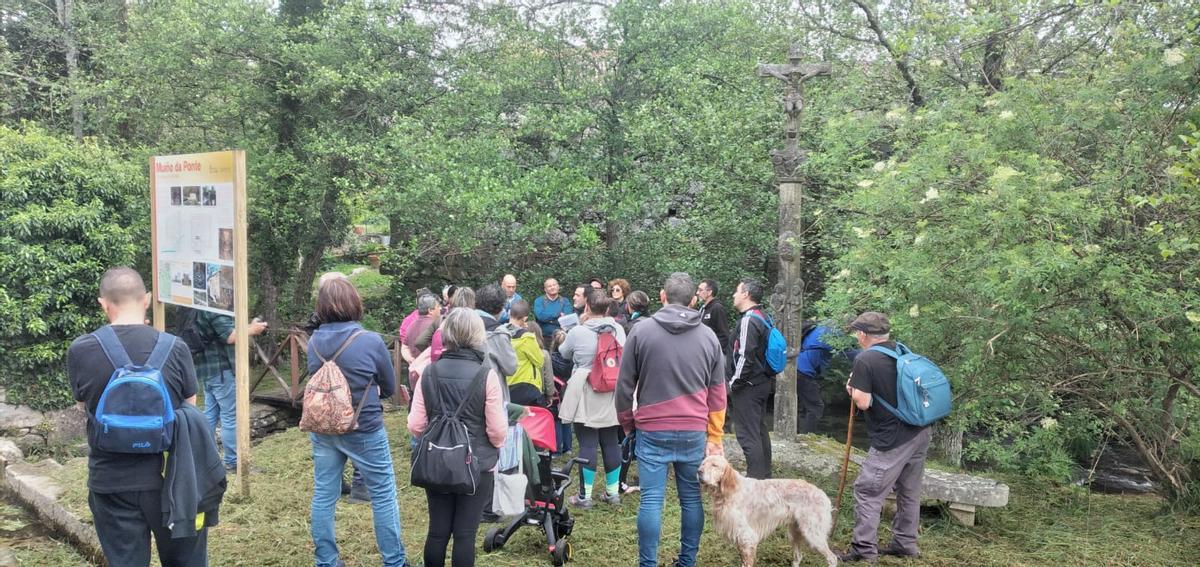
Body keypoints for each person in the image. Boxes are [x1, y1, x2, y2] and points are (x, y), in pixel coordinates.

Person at [67, 268, 207, 566]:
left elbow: (83, 405)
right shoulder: (175, 347)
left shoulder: (81, 349)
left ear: (103, 303)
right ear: (147, 299)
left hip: (110, 480)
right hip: (173, 479)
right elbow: (189, 406)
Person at [615, 272, 727, 567]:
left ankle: (647, 564)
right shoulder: (709, 337)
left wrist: (628, 423)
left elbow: (624, 386)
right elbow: (718, 395)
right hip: (693, 429)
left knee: (651, 500)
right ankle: (687, 562)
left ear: (663, 296)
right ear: (693, 301)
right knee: (691, 500)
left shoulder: (640, 331)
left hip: (652, 428)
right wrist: (714, 437)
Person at [306, 278, 413, 567]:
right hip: (363, 427)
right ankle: (394, 561)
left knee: (324, 493)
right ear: (355, 302)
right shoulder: (369, 340)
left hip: (323, 428)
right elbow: (390, 388)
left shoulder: (313, 341)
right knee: (383, 493)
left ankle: (326, 561)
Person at [407, 309, 508, 567]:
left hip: (436, 462)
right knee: (465, 535)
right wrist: (492, 449)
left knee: (437, 532)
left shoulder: (429, 372)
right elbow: (497, 430)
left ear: (446, 334)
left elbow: (416, 425)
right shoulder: (487, 375)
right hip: (477, 465)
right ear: (477, 336)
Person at [839, 312, 931, 563]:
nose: (857, 336)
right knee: (909, 491)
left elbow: (864, 401)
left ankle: (863, 549)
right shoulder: (901, 351)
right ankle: (905, 544)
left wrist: (852, 390)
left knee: (868, 490)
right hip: (920, 431)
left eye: (857, 332)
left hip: (893, 438)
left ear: (864, 335)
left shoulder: (865, 359)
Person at [559, 289, 627, 508]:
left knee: (587, 443)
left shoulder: (578, 331)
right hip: (612, 388)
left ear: (586, 305)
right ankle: (612, 492)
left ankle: (584, 496)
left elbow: (564, 353)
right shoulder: (617, 329)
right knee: (611, 442)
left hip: (586, 387)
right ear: (607, 308)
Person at [193, 306, 268, 471]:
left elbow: (225, 331)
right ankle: (233, 462)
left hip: (208, 371)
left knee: (210, 416)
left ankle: (207, 460)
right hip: (222, 370)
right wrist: (253, 329)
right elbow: (230, 336)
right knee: (230, 417)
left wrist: (249, 326)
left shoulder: (198, 306)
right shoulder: (213, 308)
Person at [729, 278, 774, 479]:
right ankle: (764, 476)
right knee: (759, 430)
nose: (734, 295)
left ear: (746, 294)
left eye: (737, 291)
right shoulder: (763, 316)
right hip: (761, 382)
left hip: (748, 385)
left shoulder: (749, 320)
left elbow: (745, 355)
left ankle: (755, 481)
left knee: (748, 434)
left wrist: (733, 384)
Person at [795, 320, 838, 434]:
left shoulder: (819, 328)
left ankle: (795, 432)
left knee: (799, 404)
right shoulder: (831, 334)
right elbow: (847, 352)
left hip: (795, 367)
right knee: (816, 406)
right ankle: (810, 435)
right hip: (804, 372)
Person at [504, 299, 548, 405]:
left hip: (505, 384)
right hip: (527, 386)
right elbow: (540, 361)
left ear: (509, 313)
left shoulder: (500, 333)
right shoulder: (527, 338)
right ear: (525, 318)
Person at [548, 330, 574, 455]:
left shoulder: (550, 358)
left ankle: (557, 449)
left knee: (556, 420)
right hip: (569, 390)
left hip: (556, 391)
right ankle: (568, 447)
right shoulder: (573, 360)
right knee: (567, 419)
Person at [695, 279, 731, 362]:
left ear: (709, 292)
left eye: (700, 290)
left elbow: (724, 335)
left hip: (714, 357)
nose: (697, 293)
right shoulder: (703, 309)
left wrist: (713, 353)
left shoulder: (717, 308)